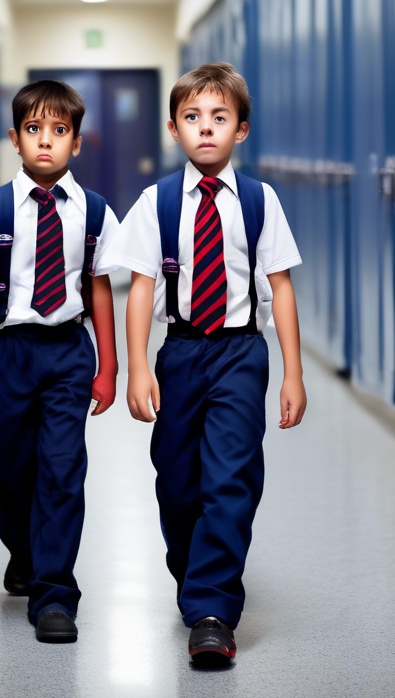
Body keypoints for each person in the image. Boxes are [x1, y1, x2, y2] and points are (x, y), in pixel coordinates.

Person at [102, 61, 306, 666]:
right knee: (179, 481)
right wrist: (138, 367)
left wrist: (292, 371)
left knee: (231, 477)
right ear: (174, 129)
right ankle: (193, 574)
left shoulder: (261, 202)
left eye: (220, 118)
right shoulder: (157, 202)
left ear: (241, 129)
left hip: (242, 351)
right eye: (193, 118)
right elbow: (140, 288)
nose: (206, 129)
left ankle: (213, 610)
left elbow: (280, 286)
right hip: (183, 352)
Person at [0, 80, 119, 643]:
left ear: (77, 142)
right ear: (16, 140)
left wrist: (108, 366)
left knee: (64, 471)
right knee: (10, 471)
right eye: (34, 130)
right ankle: (23, 551)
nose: (47, 142)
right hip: (10, 352)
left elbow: (100, 290)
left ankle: (55, 594)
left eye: (59, 131)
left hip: (69, 350)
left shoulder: (93, 212)